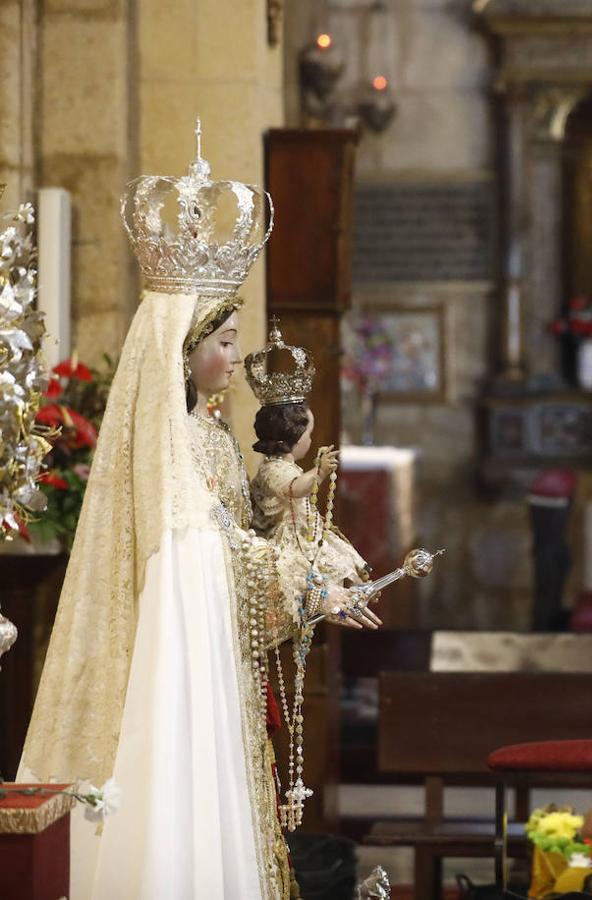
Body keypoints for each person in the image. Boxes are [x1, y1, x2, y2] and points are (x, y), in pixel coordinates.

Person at [20, 135, 376, 898]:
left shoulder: (210, 430)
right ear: (182, 352)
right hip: (182, 651)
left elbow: (241, 529)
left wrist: (301, 531)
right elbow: (197, 552)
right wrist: (309, 585)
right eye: (221, 340)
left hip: (219, 650)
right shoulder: (166, 437)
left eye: (232, 338)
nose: (233, 354)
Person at [247, 321, 373, 625]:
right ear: (292, 433)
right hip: (284, 539)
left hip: (303, 529)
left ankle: (352, 588)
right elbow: (293, 488)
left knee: (336, 554)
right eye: (309, 433)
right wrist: (317, 473)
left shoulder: (286, 464)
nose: (311, 439)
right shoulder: (273, 469)